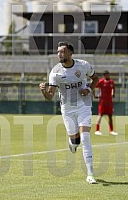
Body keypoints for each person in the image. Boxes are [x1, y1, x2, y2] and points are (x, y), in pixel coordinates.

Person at [39, 41, 99, 184]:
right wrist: (43, 91)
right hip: (67, 109)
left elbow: (96, 79)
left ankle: (90, 174)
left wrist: (89, 89)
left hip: (84, 106)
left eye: (63, 51)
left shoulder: (83, 65)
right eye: (58, 51)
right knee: (76, 141)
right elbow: (50, 96)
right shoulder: (55, 72)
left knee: (85, 138)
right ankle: (72, 143)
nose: (60, 54)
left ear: (70, 53)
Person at [93, 70, 118, 136]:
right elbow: (93, 87)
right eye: (106, 75)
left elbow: (113, 88)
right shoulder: (101, 81)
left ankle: (111, 130)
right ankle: (97, 130)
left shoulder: (111, 82)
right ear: (104, 76)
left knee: (110, 116)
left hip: (109, 102)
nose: (108, 76)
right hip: (102, 102)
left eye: (108, 75)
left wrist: (113, 93)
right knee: (100, 115)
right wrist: (94, 95)